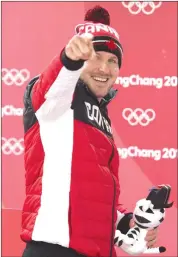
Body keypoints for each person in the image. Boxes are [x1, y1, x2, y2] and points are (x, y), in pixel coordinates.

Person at [21, 6, 158, 257]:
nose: (104, 69)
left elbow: (94, 193)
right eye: (96, 57)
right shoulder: (58, 98)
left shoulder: (100, 114)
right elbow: (51, 88)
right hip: (55, 250)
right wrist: (69, 59)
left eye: (112, 61)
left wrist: (127, 223)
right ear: (81, 58)